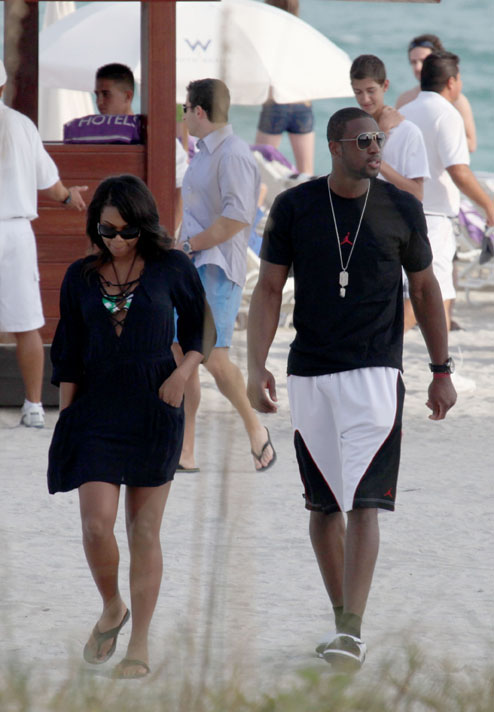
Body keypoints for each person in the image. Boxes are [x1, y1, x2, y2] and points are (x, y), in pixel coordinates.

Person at [247, 107, 456, 670]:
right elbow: (268, 289)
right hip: (309, 372)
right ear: (336, 146)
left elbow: (426, 289)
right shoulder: (295, 206)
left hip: (376, 374)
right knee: (322, 506)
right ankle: (343, 621)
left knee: (364, 502)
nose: (375, 148)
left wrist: (442, 369)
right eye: (364, 141)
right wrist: (255, 366)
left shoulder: (401, 207)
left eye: (379, 139)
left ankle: (352, 632)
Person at [47, 175, 215, 679]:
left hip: (154, 406)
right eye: (107, 231)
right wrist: (66, 422)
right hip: (96, 408)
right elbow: (69, 356)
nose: (117, 241)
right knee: (96, 524)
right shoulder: (79, 276)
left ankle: (139, 644)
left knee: (144, 531)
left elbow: (202, 328)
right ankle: (113, 606)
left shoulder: (171, 266)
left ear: (144, 226)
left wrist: (182, 375)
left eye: (126, 232)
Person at [175, 78, 276, 473]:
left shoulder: (232, 154)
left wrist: (189, 245)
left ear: (199, 111)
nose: (184, 115)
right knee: (181, 357)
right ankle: (185, 451)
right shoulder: (202, 152)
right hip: (192, 265)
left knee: (214, 359)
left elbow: (237, 218)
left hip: (217, 267)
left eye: (186, 108)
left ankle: (256, 430)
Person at [0, 58, 87, 428]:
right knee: (27, 323)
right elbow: (50, 183)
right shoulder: (21, 125)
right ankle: (33, 405)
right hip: (17, 231)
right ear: (3, 87)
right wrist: (70, 198)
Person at [400, 52, 494, 334]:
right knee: (428, 296)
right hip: (434, 215)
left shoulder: (404, 111)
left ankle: (441, 368)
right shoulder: (447, 114)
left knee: (442, 292)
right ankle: (384, 354)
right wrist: (489, 207)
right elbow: (459, 172)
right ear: (451, 82)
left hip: (404, 210)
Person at [95, 63, 188, 231]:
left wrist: (167, 235)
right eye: (97, 95)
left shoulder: (157, 137)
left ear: (128, 96)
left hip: (145, 233)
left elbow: (183, 187)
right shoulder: (95, 136)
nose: (99, 102)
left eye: (106, 94)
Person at [350, 54, 429, 202]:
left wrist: (377, 161)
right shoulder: (351, 131)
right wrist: (381, 133)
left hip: (395, 220)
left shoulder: (409, 132)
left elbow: (417, 194)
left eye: (371, 90)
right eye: (358, 92)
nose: (365, 99)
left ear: (385, 86)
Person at [254, 0, 315, 175]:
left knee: (261, 167)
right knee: (307, 173)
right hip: (302, 104)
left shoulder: (267, 35)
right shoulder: (303, 32)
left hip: (276, 102)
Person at [395, 34, 477, 153]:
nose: (418, 67)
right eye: (413, 62)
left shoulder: (458, 101)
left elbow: (471, 144)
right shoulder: (405, 99)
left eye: (423, 61)